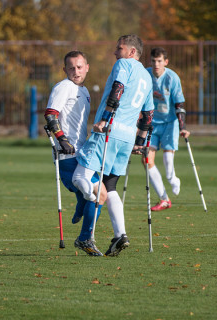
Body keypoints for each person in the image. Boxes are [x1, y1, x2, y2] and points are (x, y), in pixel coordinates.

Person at [72, 34, 154, 257]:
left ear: (131, 52)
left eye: (119, 48)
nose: (115, 52)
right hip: (127, 138)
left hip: (109, 131)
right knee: (110, 186)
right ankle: (120, 235)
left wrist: (105, 119)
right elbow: (148, 115)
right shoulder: (147, 78)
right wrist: (140, 143)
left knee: (79, 177)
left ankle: (88, 219)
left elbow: (117, 89)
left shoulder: (123, 64)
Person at [44, 51, 107, 256]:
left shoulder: (85, 90)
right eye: (71, 68)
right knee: (96, 194)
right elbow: (51, 115)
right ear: (65, 70)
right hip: (68, 155)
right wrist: (62, 139)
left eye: (80, 67)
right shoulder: (64, 86)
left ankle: (81, 212)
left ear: (87, 67)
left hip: (83, 153)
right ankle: (85, 238)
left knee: (99, 194)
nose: (76, 71)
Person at [146, 47, 190, 211]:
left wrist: (182, 126)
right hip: (151, 124)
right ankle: (164, 199)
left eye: (159, 61)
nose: (156, 64)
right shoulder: (146, 74)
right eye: (153, 61)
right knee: (146, 160)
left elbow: (179, 104)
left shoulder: (172, 78)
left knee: (168, 162)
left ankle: (172, 179)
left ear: (165, 62)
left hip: (170, 123)